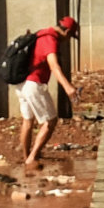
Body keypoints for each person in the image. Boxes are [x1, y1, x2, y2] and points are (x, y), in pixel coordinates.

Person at [16, 14, 79, 168]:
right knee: (50, 121)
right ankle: (32, 157)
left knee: (28, 120)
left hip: (21, 83)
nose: (67, 40)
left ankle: (26, 157)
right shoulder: (50, 40)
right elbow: (54, 66)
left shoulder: (40, 34)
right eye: (70, 36)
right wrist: (68, 87)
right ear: (67, 32)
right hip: (34, 83)